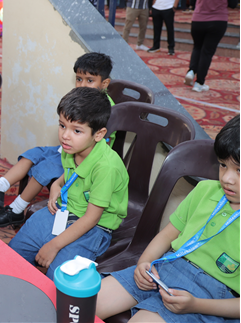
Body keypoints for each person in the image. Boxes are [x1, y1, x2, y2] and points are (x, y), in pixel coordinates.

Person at [96, 114, 240, 323]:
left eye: (239, 170)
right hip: (166, 266)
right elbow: (167, 235)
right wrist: (144, 262)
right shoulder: (205, 190)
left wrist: (196, 305)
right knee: (83, 303)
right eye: (223, 165)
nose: (227, 178)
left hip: (208, 297)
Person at [0, 53, 115, 227]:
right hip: (66, 150)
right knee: (33, 154)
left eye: (89, 80)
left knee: (44, 168)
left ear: (104, 83)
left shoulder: (106, 110)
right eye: (79, 79)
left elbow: (99, 148)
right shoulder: (78, 100)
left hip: (82, 160)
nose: (82, 85)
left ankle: (16, 209)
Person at [7, 87, 128, 280]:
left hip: (94, 228)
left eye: (77, 130)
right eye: (62, 126)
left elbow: (91, 219)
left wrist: (53, 245)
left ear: (98, 134)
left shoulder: (106, 167)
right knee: (12, 254)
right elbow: (69, 174)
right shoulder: (71, 147)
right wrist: (57, 185)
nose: (65, 135)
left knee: (59, 278)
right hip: (65, 209)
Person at [186, 0, 239, 93]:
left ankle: (191, 71)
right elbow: (233, 4)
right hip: (218, 22)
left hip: (198, 20)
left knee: (197, 47)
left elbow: (191, 1)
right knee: (207, 52)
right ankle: (199, 83)